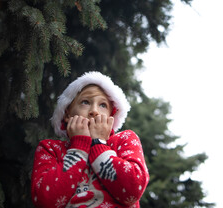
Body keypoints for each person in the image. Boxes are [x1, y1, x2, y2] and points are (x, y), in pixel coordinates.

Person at [31, 71, 149, 208]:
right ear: (67, 113)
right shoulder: (50, 148)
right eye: (85, 102)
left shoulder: (124, 139)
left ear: (111, 115)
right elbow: (44, 201)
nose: (94, 111)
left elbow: (133, 190)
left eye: (103, 105)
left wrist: (98, 143)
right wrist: (78, 147)